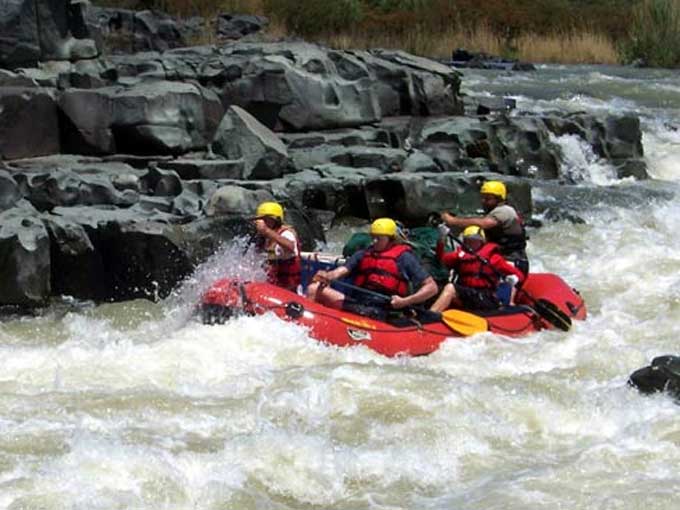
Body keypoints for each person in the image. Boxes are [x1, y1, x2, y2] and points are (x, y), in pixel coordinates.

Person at [307, 218, 438, 318]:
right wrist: (328, 276)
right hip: (357, 303)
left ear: (391, 239)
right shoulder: (364, 253)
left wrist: (404, 302)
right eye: (373, 237)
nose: (374, 241)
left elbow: (431, 288)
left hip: (383, 309)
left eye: (378, 238)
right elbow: (342, 271)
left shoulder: (404, 258)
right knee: (314, 288)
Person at [440, 180, 529, 276]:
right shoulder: (492, 213)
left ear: (499, 199)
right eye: (483, 198)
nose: (483, 201)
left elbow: (483, 224)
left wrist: (453, 221)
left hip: (512, 262)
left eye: (488, 199)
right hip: (497, 260)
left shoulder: (505, 211)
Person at [430, 225, 525, 313]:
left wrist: (514, 279)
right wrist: (441, 239)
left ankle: (431, 316)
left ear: (481, 241)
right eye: (468, 241)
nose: (470, 243)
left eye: (474, 241)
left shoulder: (494, 258)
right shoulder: (460, 255)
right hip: (467, 294)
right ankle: (431, 314)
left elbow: (520, 275)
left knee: (451, 288)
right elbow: (441, 258)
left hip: (485, 297)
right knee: (441, 289)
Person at [253, 201, 302, 293]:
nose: (262, 223)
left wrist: (266, 231)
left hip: (289, 289)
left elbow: (290, 246)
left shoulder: (286, 233)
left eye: (266, 219)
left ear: (275, 220)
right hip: (273, 286)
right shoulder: (264, 238)